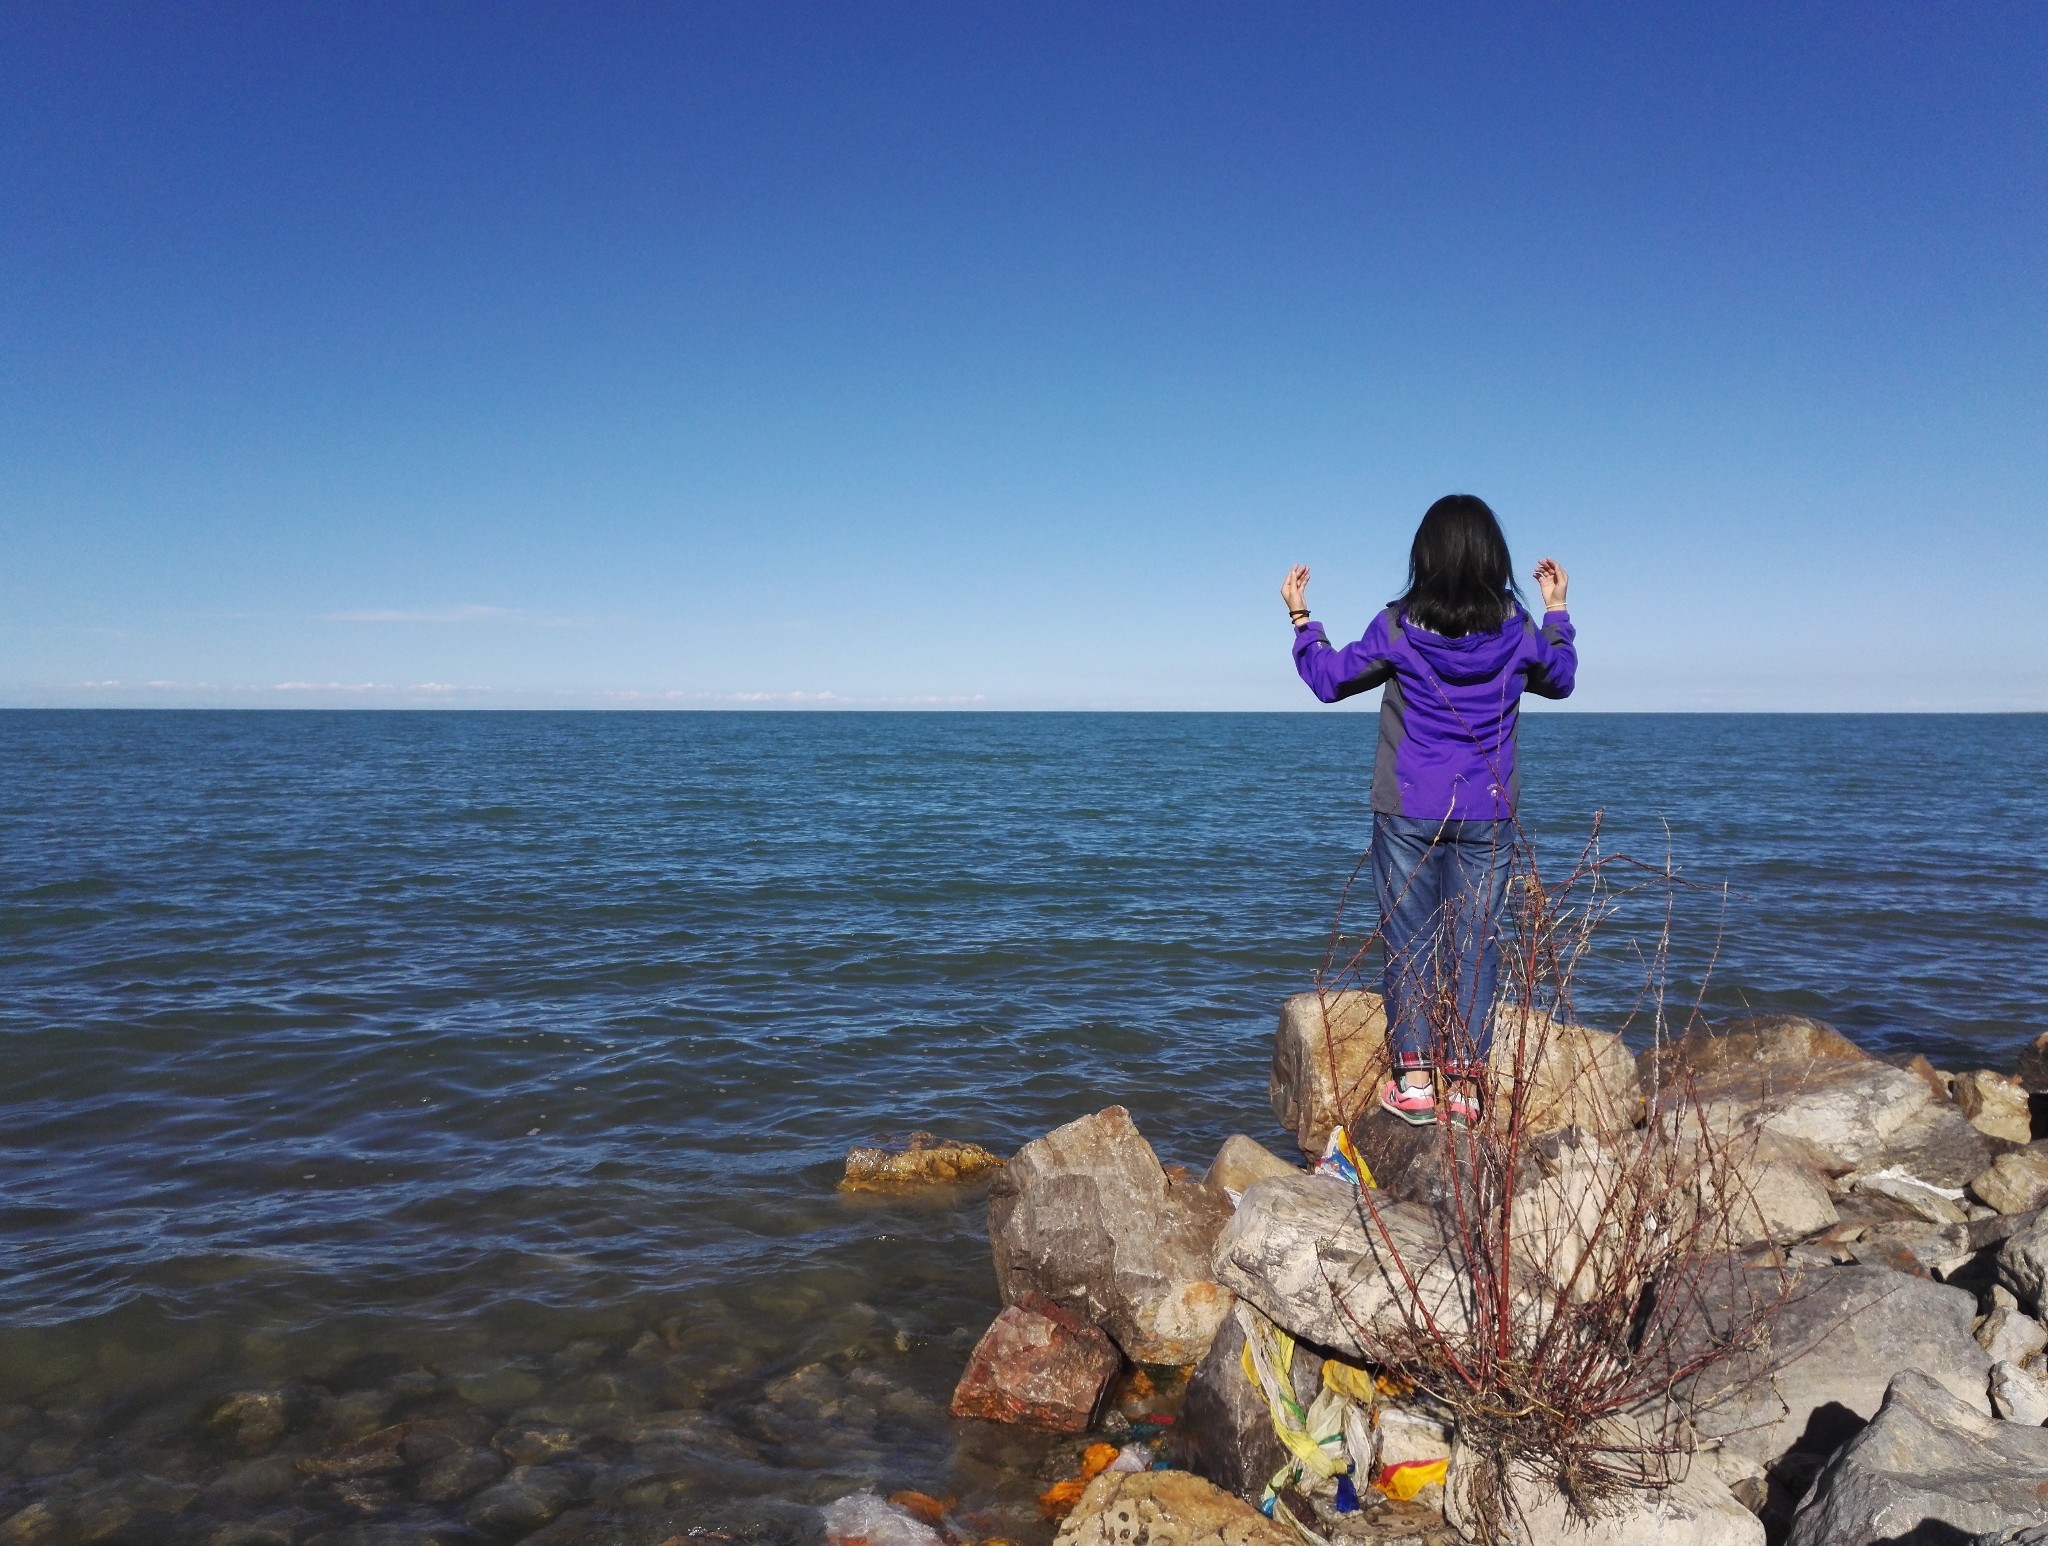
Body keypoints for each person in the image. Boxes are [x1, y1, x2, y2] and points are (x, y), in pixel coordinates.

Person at [1281, 494, 1576, 1126]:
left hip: (1408, 808)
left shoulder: (1399, 624)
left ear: (1424, 556)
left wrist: (1303, 619)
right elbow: (1561, 676)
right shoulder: (1517, 629)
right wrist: (1557, 610)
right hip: (1489, 810)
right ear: (1493, 557)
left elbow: (1329, 679)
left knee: (1408, 940)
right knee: (1476, 942)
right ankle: (1466, 1088)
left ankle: (1414, 1081)